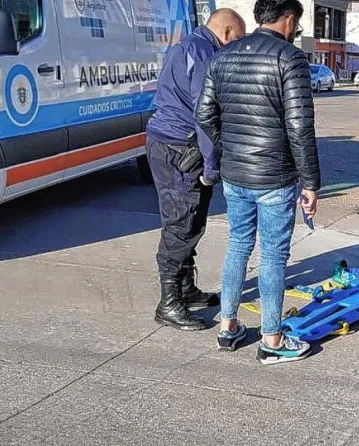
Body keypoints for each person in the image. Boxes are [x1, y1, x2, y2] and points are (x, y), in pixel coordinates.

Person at [196, 0, 320, 365]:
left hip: (235, 173)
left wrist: (229, 144)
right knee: (273, 255)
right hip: (274, 175)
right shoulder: (290, 59)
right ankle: (272, 337)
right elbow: (299, 127)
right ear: (289, 19)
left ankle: (228, 325)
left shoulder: (223, 56)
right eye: (295, 22)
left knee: (238, 245)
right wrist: (311, 182)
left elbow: (203, 113)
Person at [144, 9, 246, 331]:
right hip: (181, 150)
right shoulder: (205, 54)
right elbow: (206, 114)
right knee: (181, 223)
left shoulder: (188, 45)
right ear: (227, 32)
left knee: (191, 221)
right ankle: (169, 303)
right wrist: (212, 166)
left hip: (170, 144)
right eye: (238, 40)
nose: (237, 48)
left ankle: (186, 288)